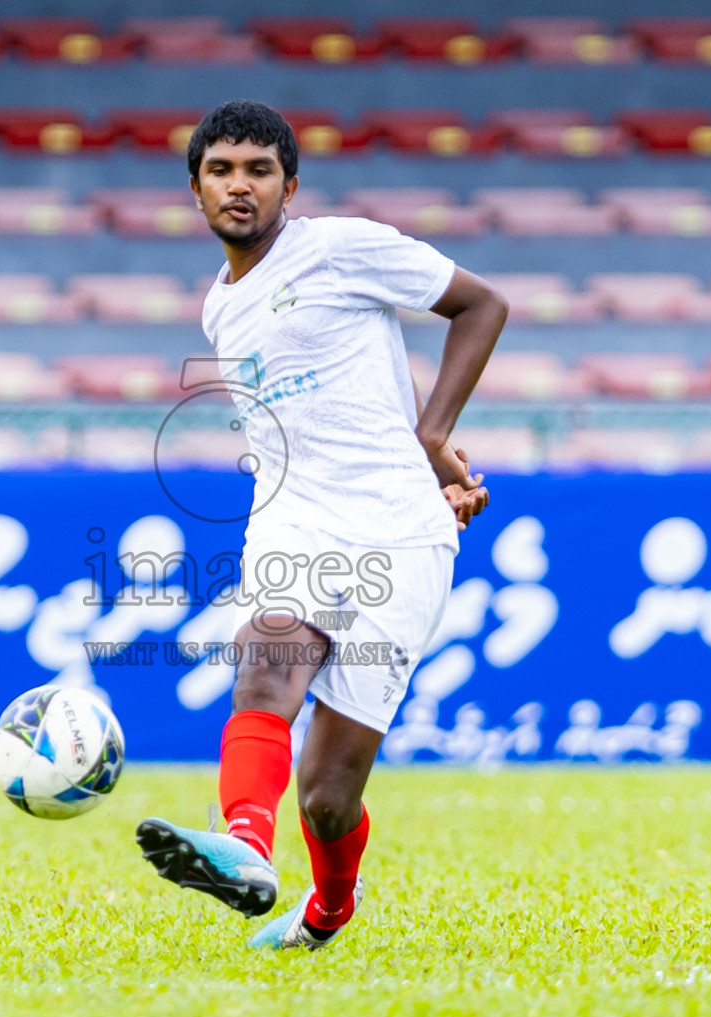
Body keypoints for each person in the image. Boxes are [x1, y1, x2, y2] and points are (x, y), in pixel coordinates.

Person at [135, 100, 508, 950]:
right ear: (194, 189)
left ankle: (327, 912)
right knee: (264, 671)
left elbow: (483, 306)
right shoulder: (218, 308)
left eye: (259, 171)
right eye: (221, 170)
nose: (240, 186)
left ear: (289, 186)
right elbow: (330, 402)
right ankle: (245, 847)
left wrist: (431, 443)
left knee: (329, 794)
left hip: (397, 536)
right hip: (292, 521)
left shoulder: (342, 248)